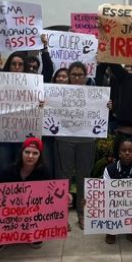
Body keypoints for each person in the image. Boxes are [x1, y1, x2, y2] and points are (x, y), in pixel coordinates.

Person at [55, 61, 98, 230]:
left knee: (84, 178)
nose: (77, 78)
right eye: (74, 74)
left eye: (81, 75)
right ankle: (60, 214)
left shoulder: (94, 94)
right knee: (62, 178)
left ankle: (82, 213)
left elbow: (100, 112)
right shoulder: (58, 92)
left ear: (86, 77)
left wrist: (106, 105)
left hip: (86, 141)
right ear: (69, 76)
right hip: (64, 139)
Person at [0, 137, 52, 252]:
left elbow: (49, 197)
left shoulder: (44, 172)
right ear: (21, 153)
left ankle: (35, 231)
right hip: (10, 212)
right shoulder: (8, 171)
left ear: (40, 156)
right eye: (27, 152)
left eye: (35, 153)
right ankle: (1, 236)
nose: (30, 156)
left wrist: (64, 197)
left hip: (32, 211)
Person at [102, 136, 132, 244]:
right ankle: (111, 229)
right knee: (107, 200)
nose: (127, 153)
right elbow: (104, 190)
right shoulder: (109, 170)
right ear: (119, 153)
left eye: (130, 150)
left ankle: (131, 228)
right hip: (114, 203)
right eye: (124, 150)